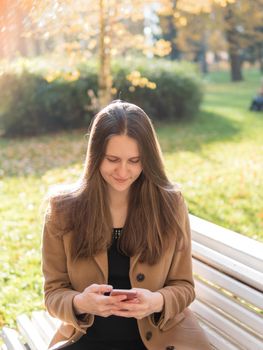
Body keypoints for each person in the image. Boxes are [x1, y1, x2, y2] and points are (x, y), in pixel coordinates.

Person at [42, 100, 211, 350]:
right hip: (88, 340)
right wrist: (80, 303)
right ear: (95, 156)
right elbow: (53, 293)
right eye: (112, 159)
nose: (123, 171)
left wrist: (156, 301)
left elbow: (184, 286)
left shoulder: (170, 204)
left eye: (135, 160)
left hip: (160, 341)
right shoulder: (63, 210)